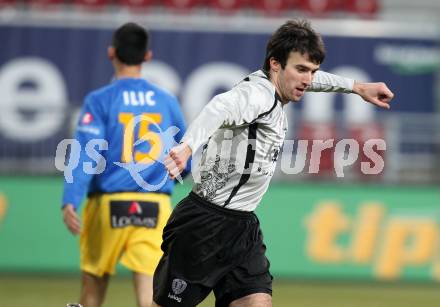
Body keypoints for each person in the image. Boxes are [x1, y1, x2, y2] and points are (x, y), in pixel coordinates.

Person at [154, 19, 394, 307]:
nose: (308, 79)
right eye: (301, 69)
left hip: (242, 227)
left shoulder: (278, 87)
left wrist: (357, 87)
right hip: (205, 225)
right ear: (276, 64)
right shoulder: (257, 95)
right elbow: (219, 107)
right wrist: (188, 146)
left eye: (312, 70)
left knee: (257, 303)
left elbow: (312, 80)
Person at [61, 23, 187, 307]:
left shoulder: (100, 100)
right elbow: (184, 153)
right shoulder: (166, 101)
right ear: (148, 56)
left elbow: (83, 154)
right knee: (149, 297)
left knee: (92, 292)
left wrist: (70, 198)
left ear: (111, 53)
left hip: (107, 204)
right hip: (154, 205)